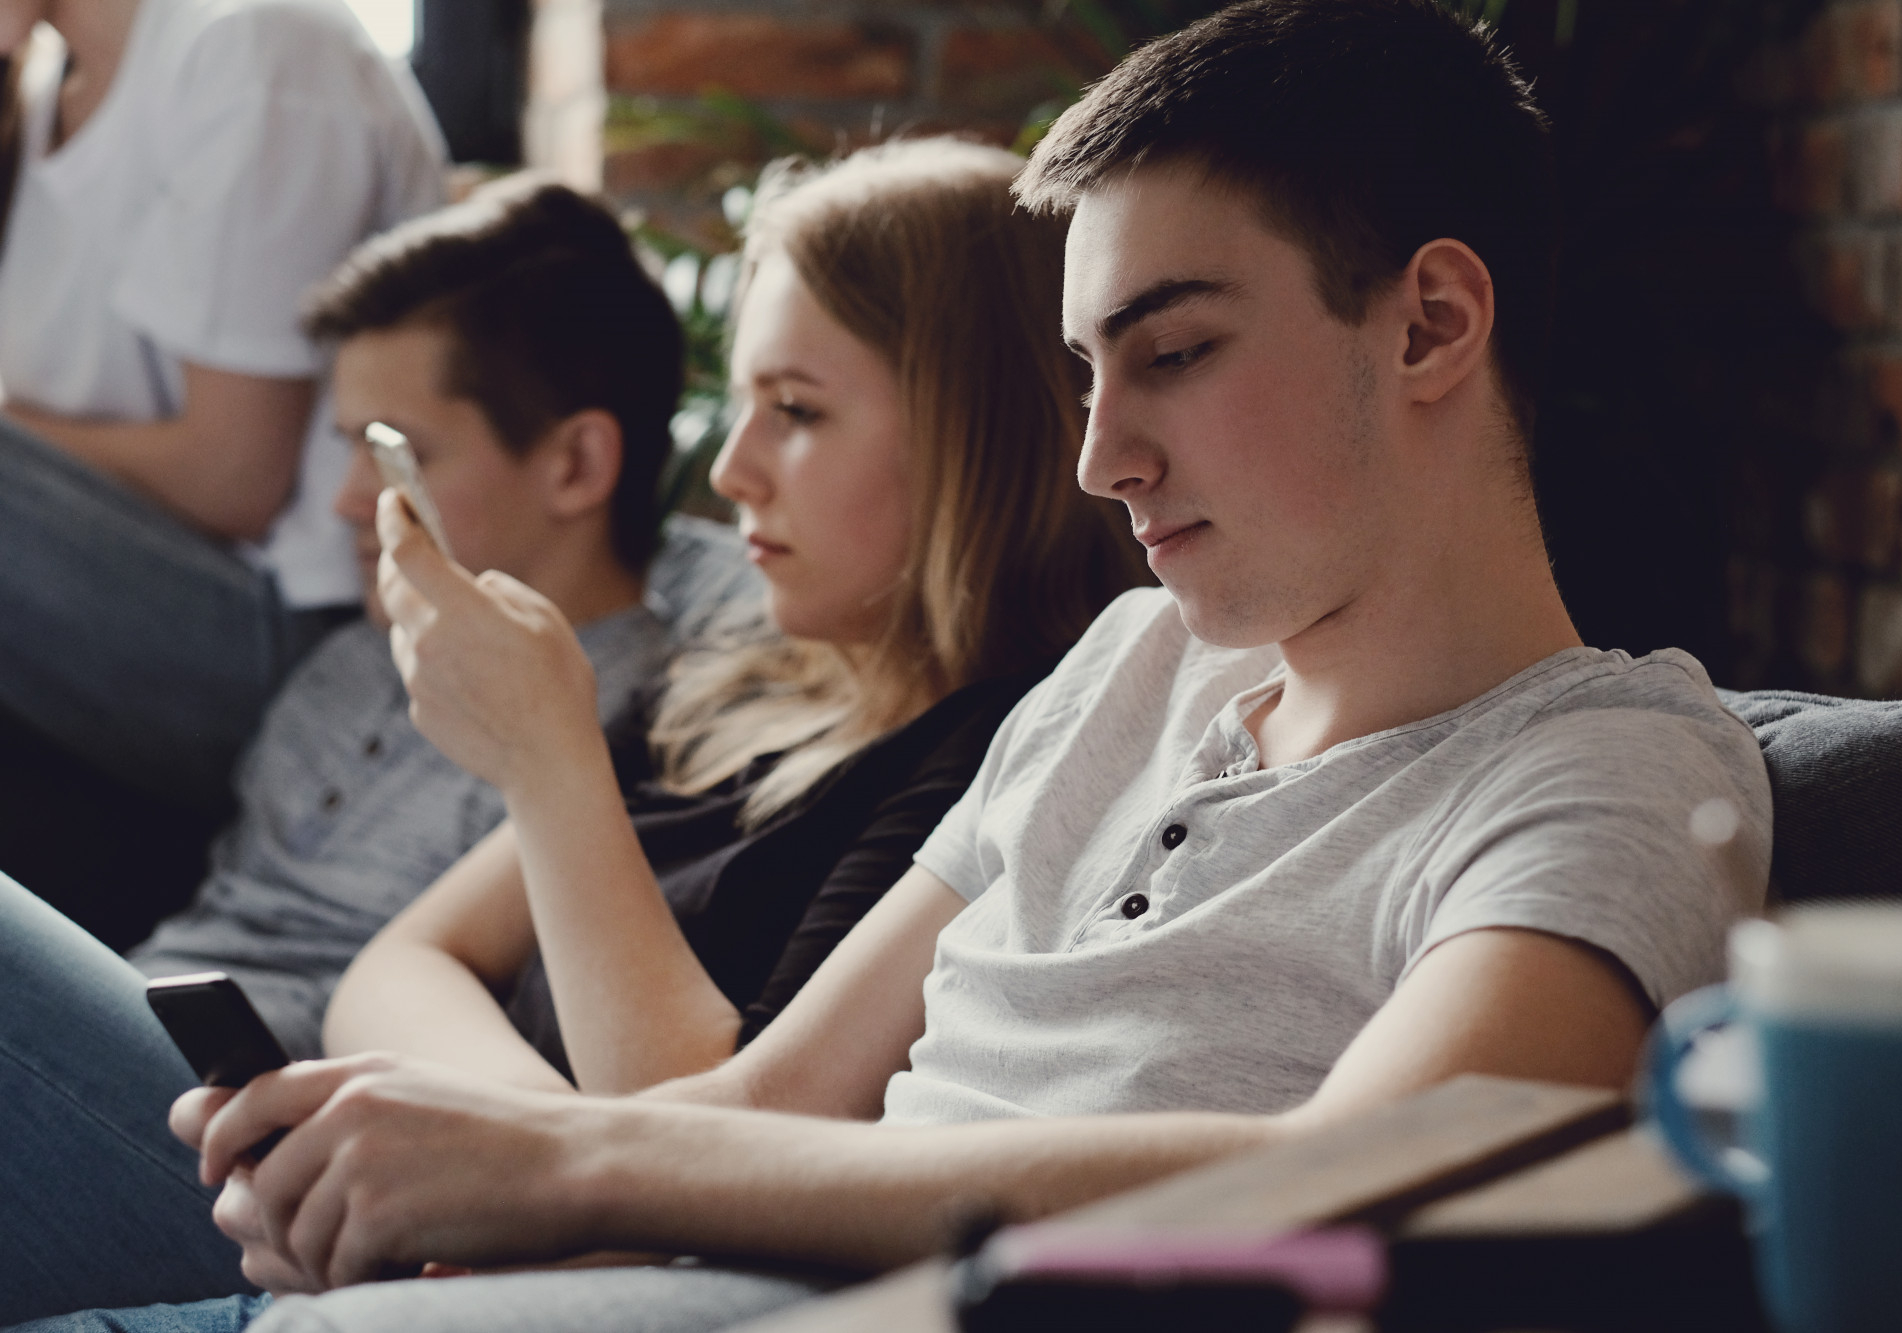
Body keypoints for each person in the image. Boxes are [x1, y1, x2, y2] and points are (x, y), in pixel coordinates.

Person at [19, 3, 1775, 1330]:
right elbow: (759, 1106)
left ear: (1433, 322)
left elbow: (1392, 1173)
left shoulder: (1616, 761)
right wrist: (456, 1171)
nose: (1104, 458)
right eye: (1091, 376)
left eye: (1174, 352)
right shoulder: (1132, 662)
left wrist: (564, 1162)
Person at [0, 136, 1146, 1326]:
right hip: (439, 1209)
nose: (734, 472)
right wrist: (510, 1165)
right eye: (740, 406)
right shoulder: (737, 678)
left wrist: (551, 768)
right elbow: (399, 963)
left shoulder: (997, 752)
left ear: (982, 431)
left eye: (796, 411)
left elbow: (725, 1149)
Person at [126, 177, 762, 1061]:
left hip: (249, 1114)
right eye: (346, 443)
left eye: (396, 451)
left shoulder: (627, 729)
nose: (349, 501)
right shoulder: (352, 660)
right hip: (113, 1017)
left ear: (576, 463)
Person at [0, 0, 447, 827]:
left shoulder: (260, 48)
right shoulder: (36, 100)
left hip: (294, 633)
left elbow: (233, 477)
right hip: (144, 606)